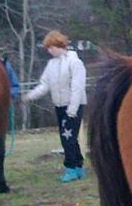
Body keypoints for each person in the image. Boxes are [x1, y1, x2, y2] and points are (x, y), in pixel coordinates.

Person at [24, 30, 88, 182]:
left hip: (73, 105)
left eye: (51, 47)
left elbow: (77, 87)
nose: (49, 50)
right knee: (69, 138)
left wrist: (72, 109)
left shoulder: (75, 62)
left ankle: (71, 168)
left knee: (68, 138)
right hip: (59, 105)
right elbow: (44, 85)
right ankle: (78, 166)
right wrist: (28, 96)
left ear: (59, 45)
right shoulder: (51, 64)